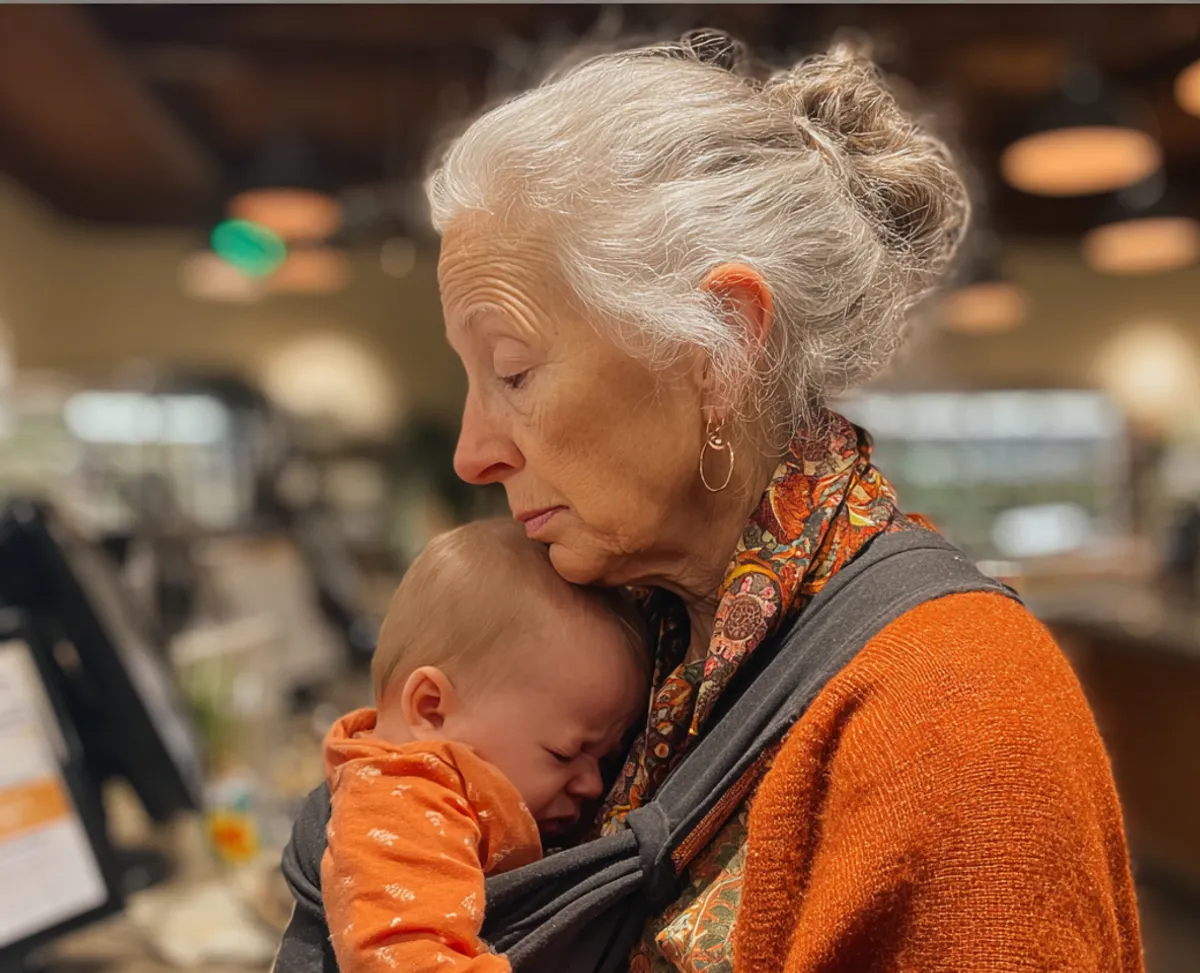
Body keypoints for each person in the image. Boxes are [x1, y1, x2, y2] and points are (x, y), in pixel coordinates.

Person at [424, 29, 1145, 972]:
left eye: (513, 371)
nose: (473, 452)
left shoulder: (957, 715)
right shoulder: (648, 646)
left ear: (722, 346)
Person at [321, 519, 648, 972]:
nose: (593, 784)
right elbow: (406, 953)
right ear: (432, 709)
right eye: (564, 753)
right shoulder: (402, 800)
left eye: (605, 760)